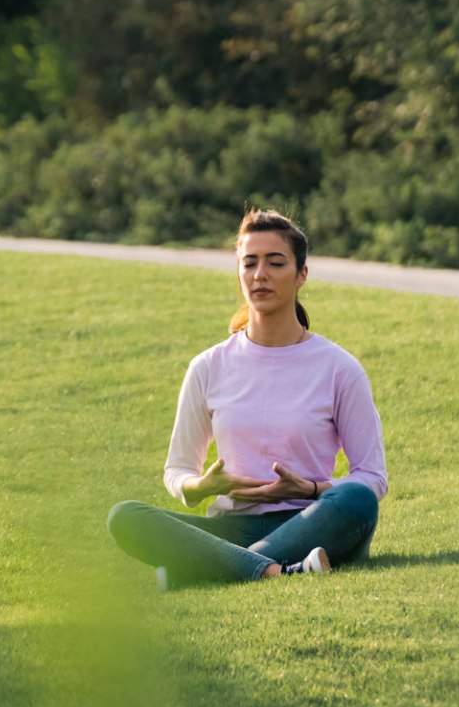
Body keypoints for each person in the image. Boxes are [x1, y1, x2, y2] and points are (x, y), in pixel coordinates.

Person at [107, 208, 388, 586]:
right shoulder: (208, 366)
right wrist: (203, 487)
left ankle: (204, 569)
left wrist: (310, 489)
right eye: (249, 263)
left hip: (310, 521)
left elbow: (372, 477)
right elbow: (177, 472)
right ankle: (273, 570)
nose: (260, 275)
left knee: (357, 499)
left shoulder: (339, 368)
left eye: (275, 263)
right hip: (231, 525)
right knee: (125, 516)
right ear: (239, 273)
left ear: (301, 274)